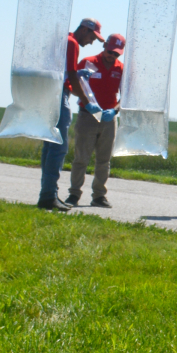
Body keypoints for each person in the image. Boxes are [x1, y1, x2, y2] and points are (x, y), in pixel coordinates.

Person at [39, 18, 102, 211]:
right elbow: (72, 76)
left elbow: (65, 73)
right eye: (93, 37)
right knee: (58, 147)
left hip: (49, 93)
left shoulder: (63, 40)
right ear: (84, 30)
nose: (92, 42)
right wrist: (87, 102)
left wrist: (75, 78)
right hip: (58, 96)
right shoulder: (72, 43)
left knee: (49, 146)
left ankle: (47, 193)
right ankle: (49, 195)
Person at [68, 34, 125, 208]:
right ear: (105, 46)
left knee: (104, 160)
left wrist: (114, 110)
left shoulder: (121, 69)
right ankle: (74, 194)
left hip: (108, 118)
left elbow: (127, 96)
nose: (112, 56)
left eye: (116, 54)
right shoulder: (87, 62)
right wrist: (87, 103)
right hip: (88, 115)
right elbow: (71, 85)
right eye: (110, 52)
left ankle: (99, 195)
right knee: (81, 158)